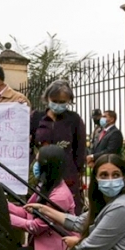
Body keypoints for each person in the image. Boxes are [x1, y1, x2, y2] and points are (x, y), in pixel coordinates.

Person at [8, 145, 77, 250]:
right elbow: (27, 212)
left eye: (38, 162)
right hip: (42, 247)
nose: (35, 166)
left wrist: (6, 218)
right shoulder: (45, 186)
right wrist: (3, 204)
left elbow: (36, 226)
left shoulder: (59, 195)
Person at [30, 80, 87, 213]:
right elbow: (28, 143)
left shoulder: (74, 119)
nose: (58, 105)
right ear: (47, 98)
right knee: (41, 210)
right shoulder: (37, 118)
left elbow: (80, 149)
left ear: (69, 101)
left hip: (67, 173)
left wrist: (77, 172)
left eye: (62, 102)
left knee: (66, 211)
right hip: (41, 172)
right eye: (55, 100)